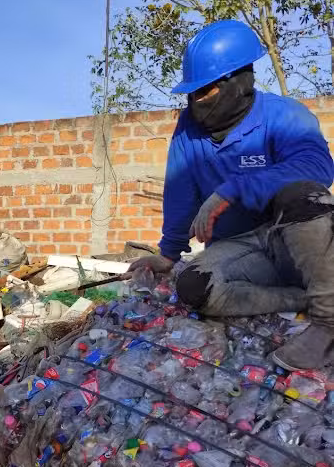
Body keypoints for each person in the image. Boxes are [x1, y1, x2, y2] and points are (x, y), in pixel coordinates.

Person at [130, 20, 334, 371]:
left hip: (293, 241)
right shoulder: (188, 132)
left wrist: (234, 188)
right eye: (193, 94)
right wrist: (167, 253)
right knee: (194, 287)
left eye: (206, 91)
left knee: (305, 196)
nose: (196, 103)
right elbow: (181, 189)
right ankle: (301, 298)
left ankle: (328, 322)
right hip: (242, 247)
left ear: (240, 83)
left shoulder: (284, 115)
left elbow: (318, 166)